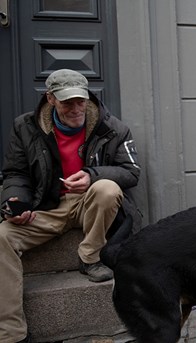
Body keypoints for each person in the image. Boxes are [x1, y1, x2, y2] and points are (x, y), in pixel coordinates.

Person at [0, 69, 141, 343]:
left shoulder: (112, 127)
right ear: (50, 99)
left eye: (81, 100)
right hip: (46, 207)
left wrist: (93, 175)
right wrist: (16, 202)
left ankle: (89, 256)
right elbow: (15, 172)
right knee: (2, 236)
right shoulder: (25, 126)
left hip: (90, 206)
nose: (76, 109)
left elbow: (131, 172)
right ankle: (11, 334)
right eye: (67, 102)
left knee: (107, 188)